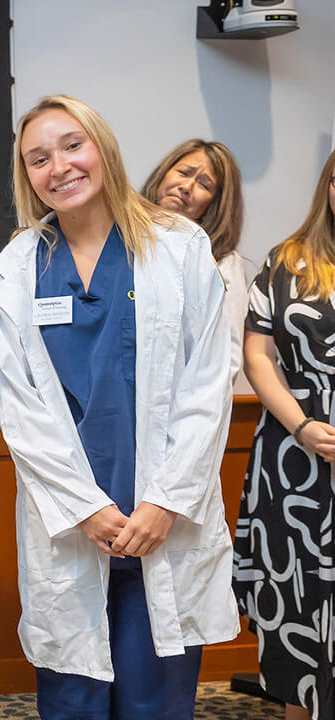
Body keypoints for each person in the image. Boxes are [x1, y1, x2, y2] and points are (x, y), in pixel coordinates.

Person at [0, 95, 239, 719]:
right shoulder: (17, 268)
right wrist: (88, 508)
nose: (59, 167)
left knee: (157, 698)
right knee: (74, 695)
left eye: (73, 145)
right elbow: (21, 410)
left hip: (164, 522)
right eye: (38, 158)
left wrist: (164, 502)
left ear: (104, 148)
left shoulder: (179, 248)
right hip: (72, 523)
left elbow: (209, 383)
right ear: (28, 176)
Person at [233, 149, 335, 720]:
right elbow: (258, 354)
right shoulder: (287, 261)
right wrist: (300, 424)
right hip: (295, 453)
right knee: (297, 595)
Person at [141, 139, 251, 386]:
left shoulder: (222, 262)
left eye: (204, 185)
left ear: (215, 204)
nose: (187, 186)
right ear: (164, 173)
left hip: (180, 403)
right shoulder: (118, 236)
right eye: (184, 173)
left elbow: (226, 359)